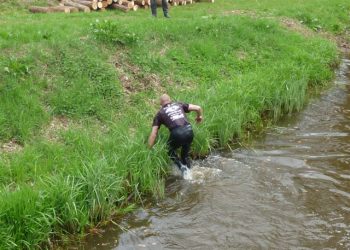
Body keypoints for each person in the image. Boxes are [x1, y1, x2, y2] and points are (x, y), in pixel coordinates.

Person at [148, 94, 203, 173]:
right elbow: (198, 108)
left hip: (177, 133)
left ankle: (181, 167)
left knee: (169, 150)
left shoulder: (159, 114)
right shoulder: (179, 104)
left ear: (160, 103)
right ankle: (190, 173)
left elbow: (154, 133)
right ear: (170, 100)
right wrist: (199, 117)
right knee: (185, 155)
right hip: (189, 130)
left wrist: (148, 149)